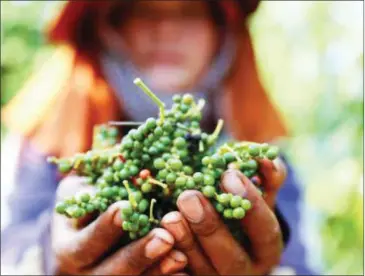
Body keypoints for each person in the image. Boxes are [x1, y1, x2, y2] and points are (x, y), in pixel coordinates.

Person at [1, 1, 314, 275]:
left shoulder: (258, 150)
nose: (165, 30)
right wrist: (48, 257)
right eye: (143, 10)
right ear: (112, 27)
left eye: (190, 11)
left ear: (222, 33)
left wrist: (272, 269)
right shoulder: (47, 134)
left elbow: (304, 264)